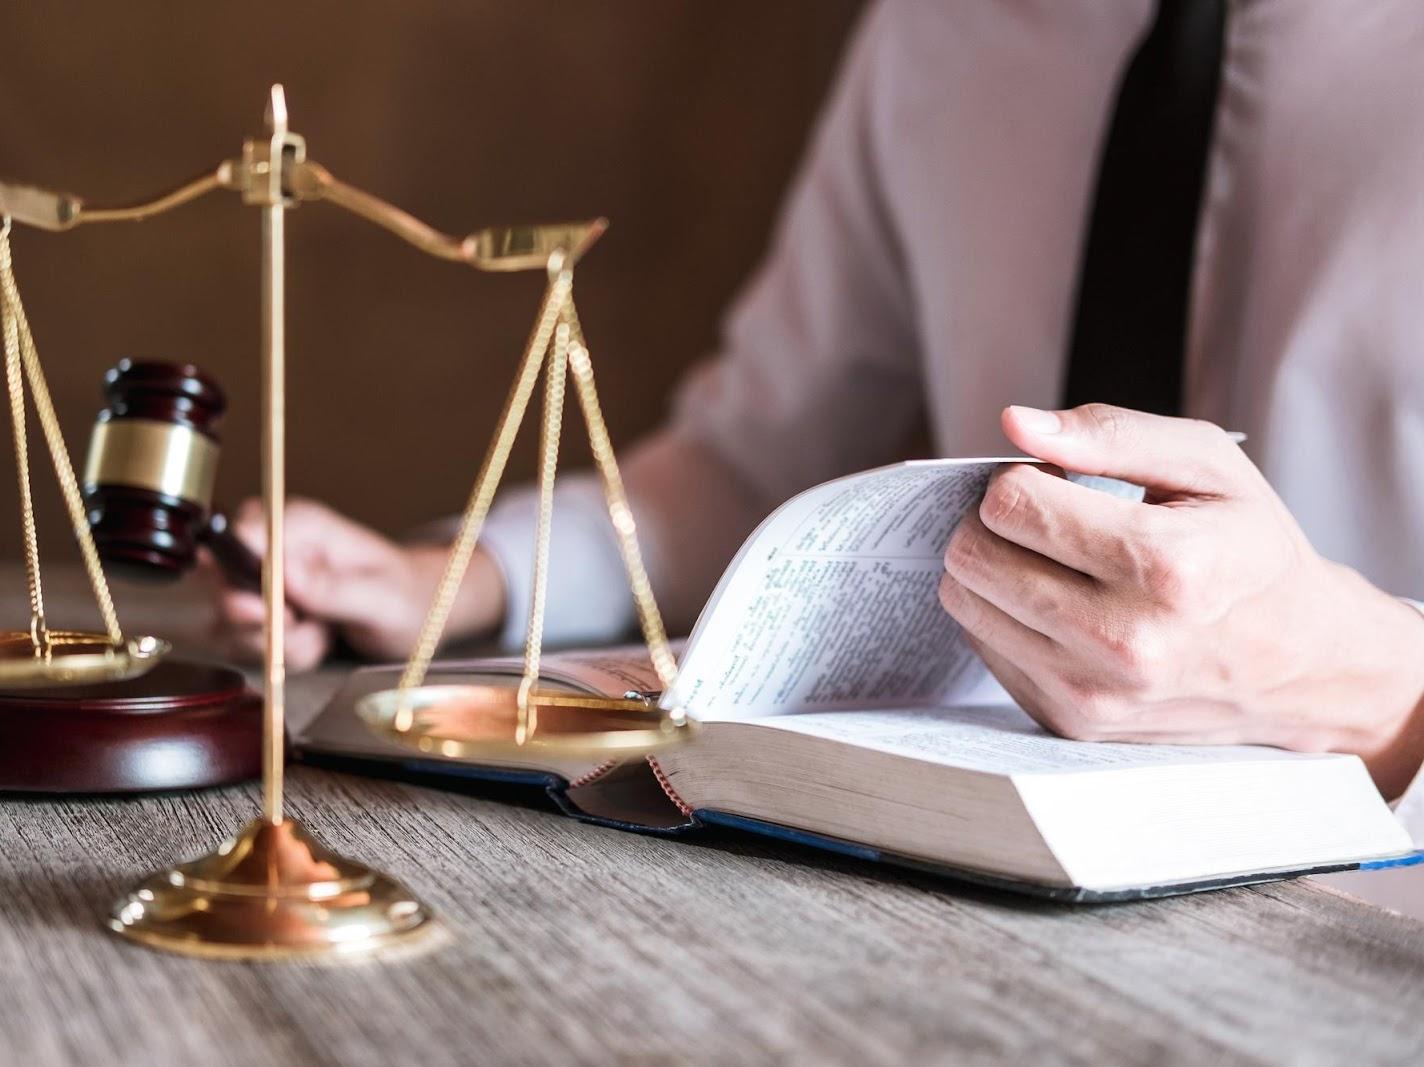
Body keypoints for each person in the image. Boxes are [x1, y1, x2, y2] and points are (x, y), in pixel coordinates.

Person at [210, 2, 1424, 817]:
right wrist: (464, 580)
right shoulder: (937, 29)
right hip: (968, 875)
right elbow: (754, 456)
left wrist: (1365, 684)